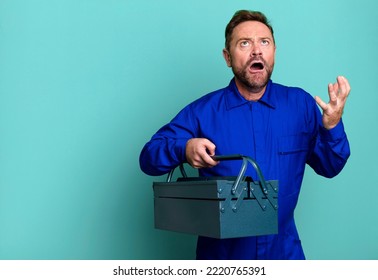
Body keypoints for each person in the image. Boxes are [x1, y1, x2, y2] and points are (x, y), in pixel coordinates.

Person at [139, 10, 351, 260]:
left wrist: (332, 125)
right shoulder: (203, 112)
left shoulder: (300, 105)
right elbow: (148, 158)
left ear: (274, 51)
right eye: (244, 43)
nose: (257, 51)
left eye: (264, 42)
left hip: (284, 255)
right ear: (228, 57)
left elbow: (331, 166)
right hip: (222, 260)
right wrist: (183, 149)